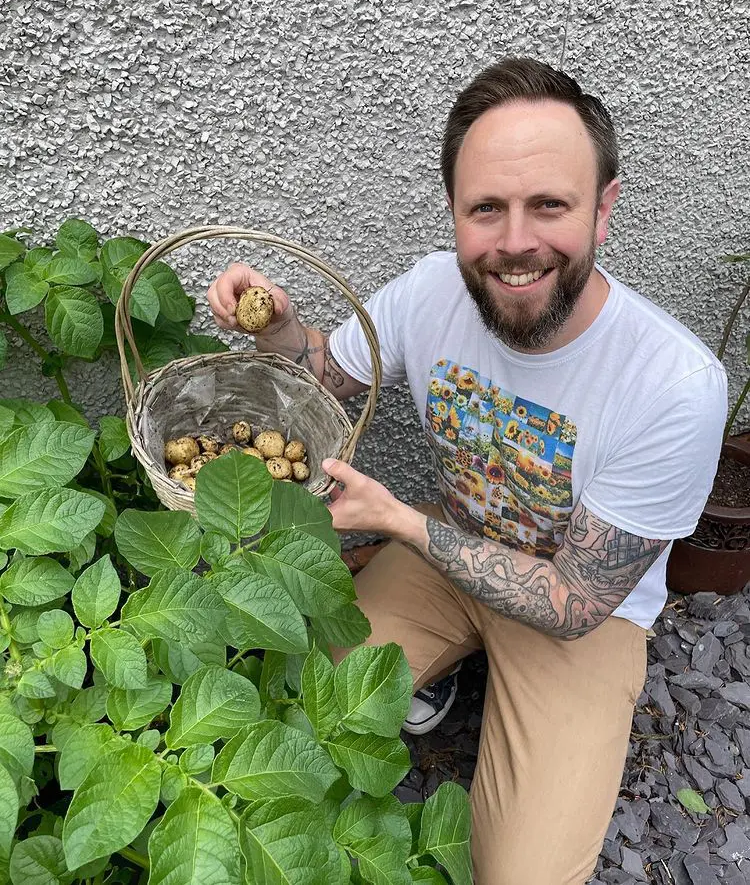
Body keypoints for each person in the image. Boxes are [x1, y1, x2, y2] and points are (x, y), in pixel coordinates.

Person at [207, 57, 727, 884]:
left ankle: (456, 678)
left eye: (549, 205)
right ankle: (438, 668)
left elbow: (572, 601)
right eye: (487, 208)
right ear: (455, 213)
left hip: (581, 621)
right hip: (447, 552)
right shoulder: (427, 293)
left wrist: (399, 522)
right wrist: (280, 327)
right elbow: (326, 378)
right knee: (295, 714)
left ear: (604, 211)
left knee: (521, 876)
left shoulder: (674, 387)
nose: (515, 241)